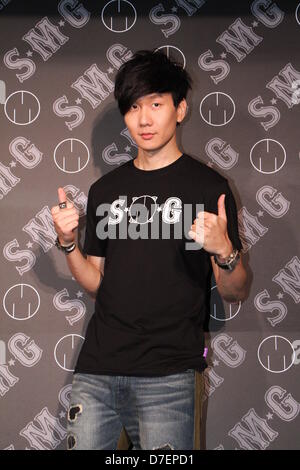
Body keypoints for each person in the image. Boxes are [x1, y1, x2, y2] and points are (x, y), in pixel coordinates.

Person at [51, 49, 248, 450]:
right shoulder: (105, 190)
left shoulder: (207, 189)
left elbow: (234, 290)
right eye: (134, 107)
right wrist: (69, 244)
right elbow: (96, 282)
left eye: (156, 104)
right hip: (97, 372)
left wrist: (225, 251)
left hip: (170, 376)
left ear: (179, 110)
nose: (144, 119)